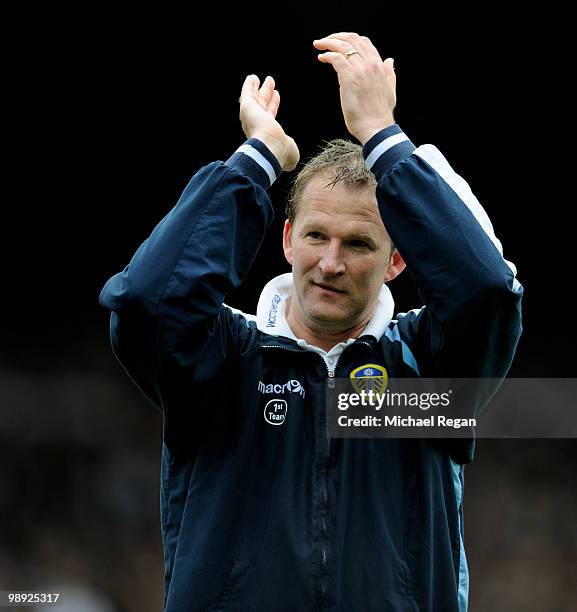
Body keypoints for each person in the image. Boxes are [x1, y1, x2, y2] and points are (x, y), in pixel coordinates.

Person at [100, 33, 522, 612]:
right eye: (316, 236)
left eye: (358, 244)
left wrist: (382, 135)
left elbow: (488, 291)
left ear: (397, 261)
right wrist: (258, 159)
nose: (330, 263)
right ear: (286, 239)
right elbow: (145, 301)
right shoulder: (222, 360)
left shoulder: (427, 373)